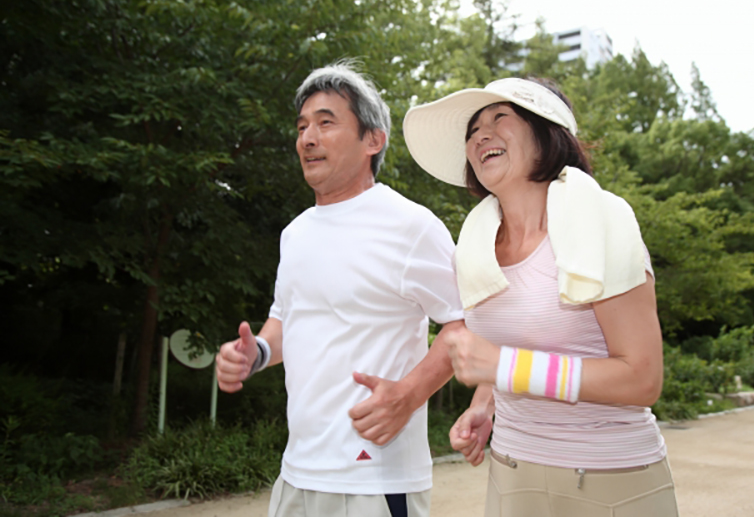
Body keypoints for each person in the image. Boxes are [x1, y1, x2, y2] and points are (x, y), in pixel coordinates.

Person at [403, 77, 679, 516]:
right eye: (472, 131)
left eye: (499, 118)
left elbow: (643, 379)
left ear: (545, 131)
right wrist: (484, 406)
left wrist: (505, 367)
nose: (481, 136)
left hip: (612, 477)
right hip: (512, 472)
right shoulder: (475, 245)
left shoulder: (602, 222)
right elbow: (510, 349)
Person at [215, 62, 464, 517]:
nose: (307, 138)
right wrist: (255, 355)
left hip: (374, 479)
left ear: (373, 140)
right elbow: (288, 321)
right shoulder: (295, 233)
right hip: (297, 473)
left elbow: (466, 326)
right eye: (302, 126)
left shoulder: (411, 225)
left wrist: (408, 394)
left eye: (326, 123)